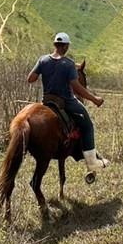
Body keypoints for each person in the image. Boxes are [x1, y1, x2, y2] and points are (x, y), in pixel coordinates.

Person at [27, 32, 109, 173]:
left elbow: (30, 79)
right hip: (66, 101)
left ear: (55, 45)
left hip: (47, 101)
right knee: (88, 125)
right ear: (65, 47)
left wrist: (46, 71)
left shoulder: (43, 60)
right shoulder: (69, 64)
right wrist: (94, 99)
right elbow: (76, 87)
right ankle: (92, 163)